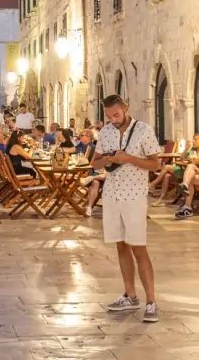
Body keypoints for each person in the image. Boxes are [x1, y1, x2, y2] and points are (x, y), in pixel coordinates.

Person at [92, 95, 161, 322]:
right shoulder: (106, 132)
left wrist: (129, 158)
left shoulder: (143, 130)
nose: (113, 120)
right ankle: (130, 295)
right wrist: (108, 161)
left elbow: (155, 164)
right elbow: (95, 163)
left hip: (134, 196)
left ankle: (151, 302)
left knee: (139, 248)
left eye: (117, 115)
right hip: (112, 194)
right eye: (109, 116)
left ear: (126, 109)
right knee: (121, 245)